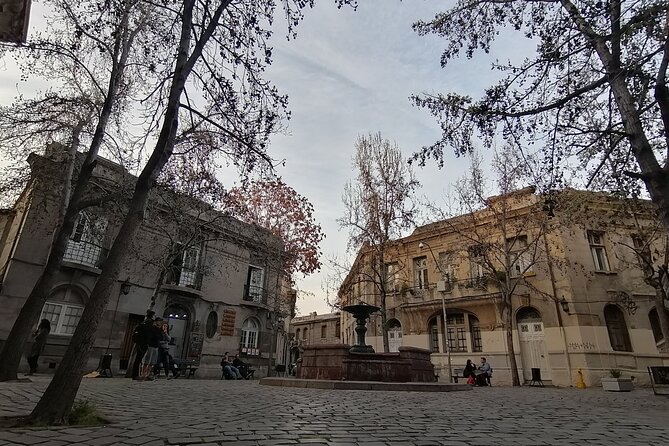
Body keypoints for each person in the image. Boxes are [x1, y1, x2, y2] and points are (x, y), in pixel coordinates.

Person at [131, 310, 155, 380]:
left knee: (139, 360)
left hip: (141, 343)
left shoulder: (143, 323)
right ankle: (135, 375)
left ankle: (136, 375)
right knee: (138, 360)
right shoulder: (148, 323)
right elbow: (148, 334)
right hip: (143, 344)